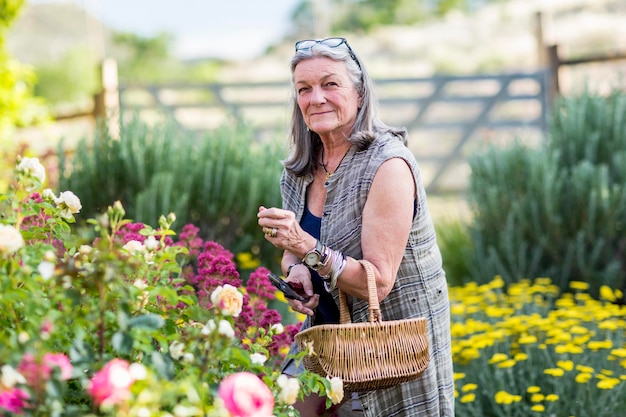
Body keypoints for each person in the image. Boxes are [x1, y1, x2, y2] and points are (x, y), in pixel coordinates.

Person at [257, 37, 454, 417]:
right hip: (327, 339)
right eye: (304, 89)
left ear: (360, 93)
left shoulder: (387, 165)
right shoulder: (299, 171)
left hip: (390, 345)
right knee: (280, 408)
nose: (316, 98)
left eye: (330, 84)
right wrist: (298, 274)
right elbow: (292, 258)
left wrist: (306, 246)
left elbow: (378, 282)